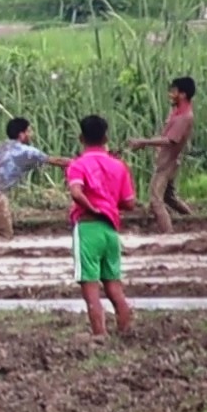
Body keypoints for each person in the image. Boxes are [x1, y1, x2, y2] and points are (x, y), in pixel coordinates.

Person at [67, 114, 138, 338]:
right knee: (114, 286)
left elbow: (76, 192)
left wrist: (91, 206)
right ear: (106, 137)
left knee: (90, 289)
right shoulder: (119, 166)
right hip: (111, 231)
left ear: (81, 138)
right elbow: (129, 203)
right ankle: (125, 331)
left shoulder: (78, 165)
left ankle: (99, 335)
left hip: (88, 228)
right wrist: (108, 204)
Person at [0, 118, 71, 240]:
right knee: (6, 237)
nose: (31, 135)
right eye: (29, 131)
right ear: (22, 135)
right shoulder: (27, 152)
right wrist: (76, 162)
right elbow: (55, 161)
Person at [127, 76, 197, 233]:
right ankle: (193, 221)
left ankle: (168, 234)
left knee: (155, 200)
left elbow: (170, 141)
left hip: (167, 163)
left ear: (183, 95)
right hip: (168, 161)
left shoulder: (184, 117)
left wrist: (143, 142)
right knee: (169, 198)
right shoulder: (178, 113)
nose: (170, 94)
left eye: (174, 91)